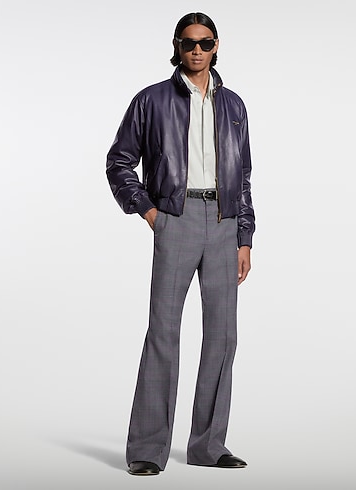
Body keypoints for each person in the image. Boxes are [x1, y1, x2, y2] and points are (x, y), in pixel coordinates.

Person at [106, 11, 256, 476]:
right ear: (177, 46)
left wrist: (245, 236)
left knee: (223, 336)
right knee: (163, 332)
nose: (197, 50)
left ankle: (208, 446)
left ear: (216, 46)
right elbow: (119, 162)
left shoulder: (233, 105)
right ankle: (148, 449)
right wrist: (150, 212)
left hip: (224, 222)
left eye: (205, 42)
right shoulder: (151, 100)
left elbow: (243, 177)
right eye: (189, 42)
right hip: (176, 216)